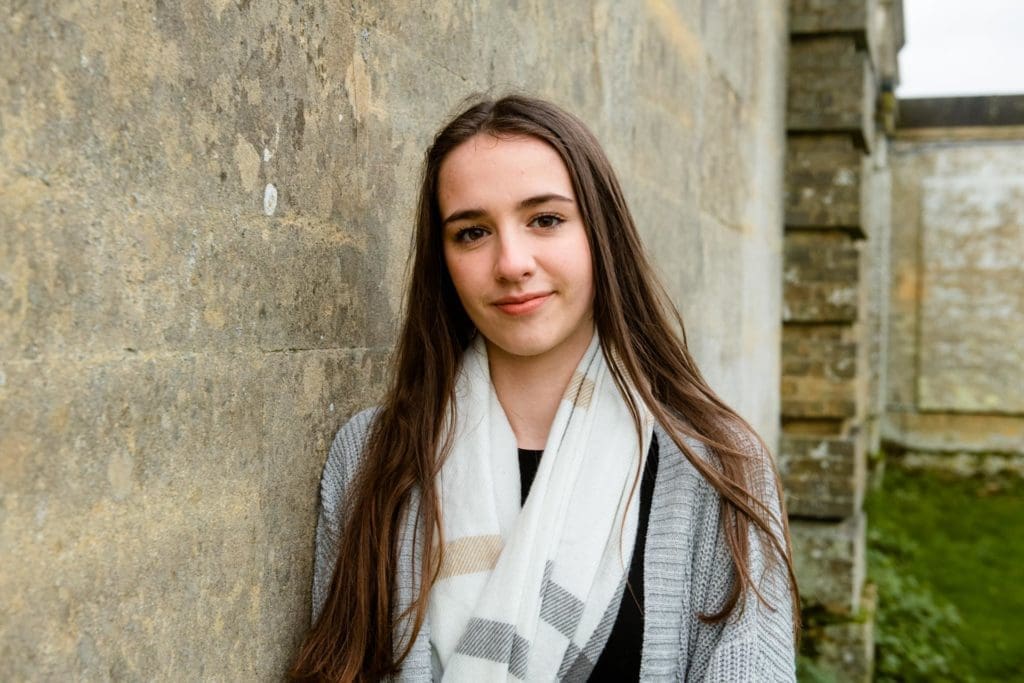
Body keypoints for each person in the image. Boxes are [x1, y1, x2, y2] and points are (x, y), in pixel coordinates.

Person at [290, 94, 799, 682]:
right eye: (472, 232)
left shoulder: (717, 465)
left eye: (545, 220)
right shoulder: (370, 456)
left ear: (600, 233)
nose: (511, 262)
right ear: (444, 260)